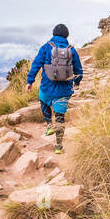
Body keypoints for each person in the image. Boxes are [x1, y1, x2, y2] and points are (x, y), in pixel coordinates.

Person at [25, 23, 83, 153]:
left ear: (53, 33)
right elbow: (78, 69)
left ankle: (49, 124)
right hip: (64, 89)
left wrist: (30, 81)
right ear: (66, 35)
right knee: (60, 118)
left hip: (47, 87)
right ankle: (58, 146)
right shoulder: (71, 49)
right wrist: (77, 81)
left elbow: (36, 64)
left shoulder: (46, 47)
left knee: (42, 100)